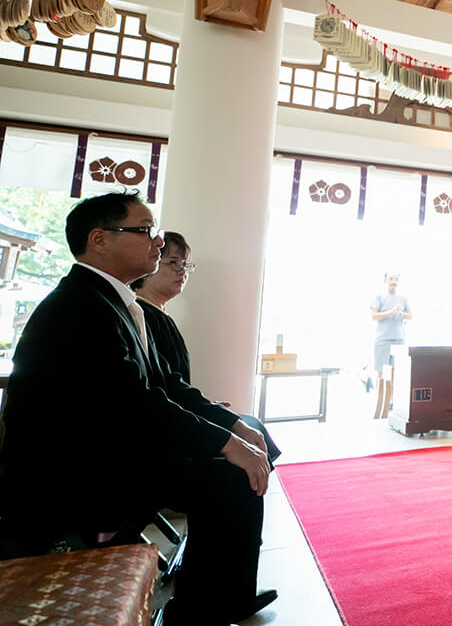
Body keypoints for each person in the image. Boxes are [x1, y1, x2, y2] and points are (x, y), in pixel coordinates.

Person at [0, 193, 274, 625]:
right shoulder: (80, 308)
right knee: (229, 474)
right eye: (145, 230)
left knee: (235, 463)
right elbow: (135, 402)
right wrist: (227, 445)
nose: (159, 242)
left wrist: (235, 426)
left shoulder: (111, 300)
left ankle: (218, 595)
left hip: (113, 453)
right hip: (75, 475)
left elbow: (168, 386)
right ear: (99, 240)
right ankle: (205, 607)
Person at [133, 230, 281, 466]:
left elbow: (174, 384)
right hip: (163, 430)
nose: (181, 271)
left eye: (185, 264)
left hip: (177, 415)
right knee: (249, 435)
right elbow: (160, 389)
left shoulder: (159, 315)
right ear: (147, 265)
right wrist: (206, 413)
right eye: (172, 263)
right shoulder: (143, 316)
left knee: (252, 427)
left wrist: (208, 408)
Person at [369, 273, 411, 418]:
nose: (394, 281)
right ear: (386, 281)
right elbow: (373, 316)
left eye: (396, 279)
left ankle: (392, 402)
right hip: (382, 340)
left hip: (399, 340)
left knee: (397, 373)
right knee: (381, 373)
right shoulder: (379, 297)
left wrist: (401, 314)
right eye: (391, 279)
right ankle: (380, 401)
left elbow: (410, 316)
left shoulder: (404, 299)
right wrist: (390, 312)